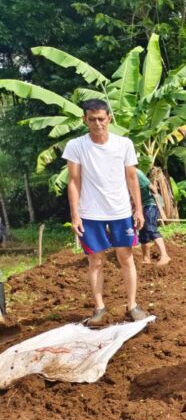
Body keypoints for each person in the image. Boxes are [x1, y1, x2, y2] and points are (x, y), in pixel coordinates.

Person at [62, 99, 148, 326]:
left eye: (101, 119)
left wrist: (138, 209)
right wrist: (75, 215)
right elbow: (73, 181)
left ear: (109, 118)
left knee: (126, 257)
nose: (97, 123)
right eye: (92, 119)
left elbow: (132, 178)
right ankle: (99, 308)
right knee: (95, 261)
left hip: (120, 210)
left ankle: (132, 305)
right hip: (90, 213)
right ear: (85, 120)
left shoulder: (124, 144)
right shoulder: (76, 146)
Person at [136, 168, 170, 267]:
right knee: (142, 231)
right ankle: (146, 259)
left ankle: (165, 255)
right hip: (141, 206)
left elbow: (152, 187)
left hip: (150, 204)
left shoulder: (136, 173)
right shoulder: (122, 176)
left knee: (150, 228)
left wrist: (157, 201)